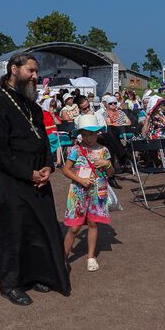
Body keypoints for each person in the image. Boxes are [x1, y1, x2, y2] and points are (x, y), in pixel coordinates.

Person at [0, 53, 71, 306]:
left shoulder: (31, 105)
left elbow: (44, 140)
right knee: (14, 229)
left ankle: (35, 274)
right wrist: (27, 173)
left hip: (38, 175)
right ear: (13, 69)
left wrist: (47, 167)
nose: (35, 76)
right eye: (30, 71)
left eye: (35, 72)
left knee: (39, 226)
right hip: (12, 177)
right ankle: (10, 283)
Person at [62, 114, 114, 272]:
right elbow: (65, 169)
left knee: (92, 223)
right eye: (84, 134)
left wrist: (108, 163)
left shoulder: (104, 150)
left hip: (97, 191)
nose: (88, 137)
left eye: (91, 134)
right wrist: (79, 179)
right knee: (74, 227)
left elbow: (111, 173)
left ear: (97, 133)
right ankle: (62, 257)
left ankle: (91, 257)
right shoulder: (76, 150)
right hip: (78, 192)